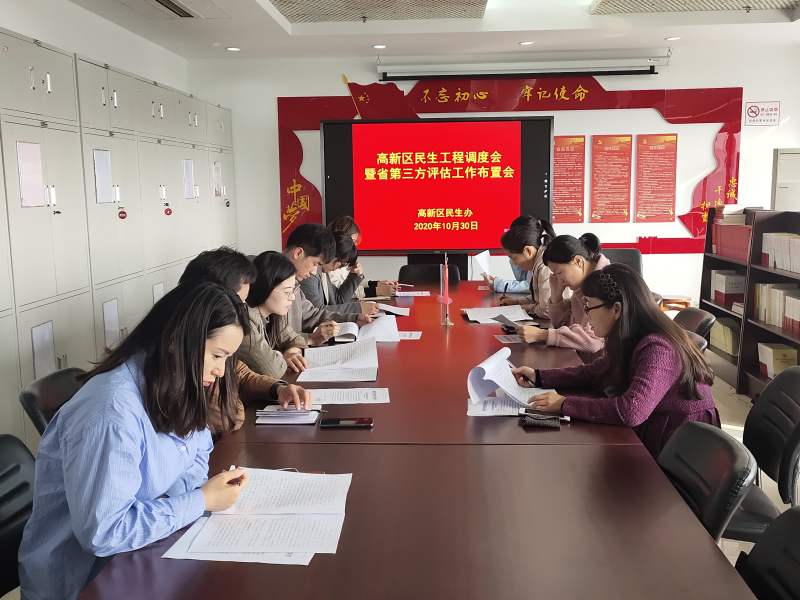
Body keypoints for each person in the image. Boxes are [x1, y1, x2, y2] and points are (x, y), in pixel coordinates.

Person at [18, 280, 251, 600]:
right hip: (84, 584)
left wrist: (183, 501)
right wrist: (199, 501)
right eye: (216, 355)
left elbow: (198, 450)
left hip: (139, 557)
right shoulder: (111, 412)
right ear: (175, 341)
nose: (221, 370)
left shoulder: (176, 380)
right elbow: (105, 533)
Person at [513, 264, 719, 457]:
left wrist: (564, 404)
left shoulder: (659, 348)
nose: (587, 315)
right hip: (655, 428)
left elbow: (631, 410)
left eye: (589, 306)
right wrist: (538, 376)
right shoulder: (631, 335)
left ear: (617, 309)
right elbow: (595, 371)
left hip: (681, 445)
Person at [179, 247, 314, 435]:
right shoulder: (186, 351)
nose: (245, 310)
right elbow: (231, 418)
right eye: (240, 302)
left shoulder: (212, 338)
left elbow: (240, 373)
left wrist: (278, 389)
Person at [514, 233, 609, 351]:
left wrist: (543, 335)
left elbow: (594, 341)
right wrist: (556, 296)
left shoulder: (604, 285)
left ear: (578, 261)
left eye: (559, 272)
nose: (559, 280)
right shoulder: (582, 285)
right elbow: (563, 325)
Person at [283, 223, 373, 345]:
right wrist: (309, 339)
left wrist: (353, 318)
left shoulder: (293, 281)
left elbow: (313, 314)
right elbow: (273, 337)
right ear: (298, 253)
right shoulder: (272, 279)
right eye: (315, 264)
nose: (314, 271)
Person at [240, 251, 310, 379]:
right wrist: (283, 355)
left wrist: (291, 352)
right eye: (287, 292)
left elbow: (296, 339)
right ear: (265, 288)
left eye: (293, 290)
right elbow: (274, 370)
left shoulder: (272, 315)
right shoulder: (245, 320)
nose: (292, 297)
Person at [300, 231, 377, 314]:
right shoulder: (310, 272)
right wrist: (358, 309)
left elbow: (338, 299)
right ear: (332, 254)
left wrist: (355, 275)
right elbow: (316, 310)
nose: (341, 267)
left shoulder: (324, 272)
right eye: (343, 263)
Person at [495, 218, 558, 319]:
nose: (514, 263)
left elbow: (546, 310)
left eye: (514, 258)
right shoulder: (538, 261)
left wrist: (523, 307)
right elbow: (539, 298)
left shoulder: (545, 266)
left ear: (528, 251)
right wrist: (516, 301)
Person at [327, 215, 399, 298]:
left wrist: (378, 284)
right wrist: (377, 291)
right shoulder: (330, 263)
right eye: (352, 241)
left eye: (354, 243)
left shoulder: (341, 260)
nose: (353, 247)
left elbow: (350, 284)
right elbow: (343, 292)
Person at [483, 215, 537, 293]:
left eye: (514, 258)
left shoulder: (543, 261)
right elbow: (523, 280)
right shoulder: (529, 257)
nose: (514, 262)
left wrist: (498, 284)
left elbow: (531, 286)